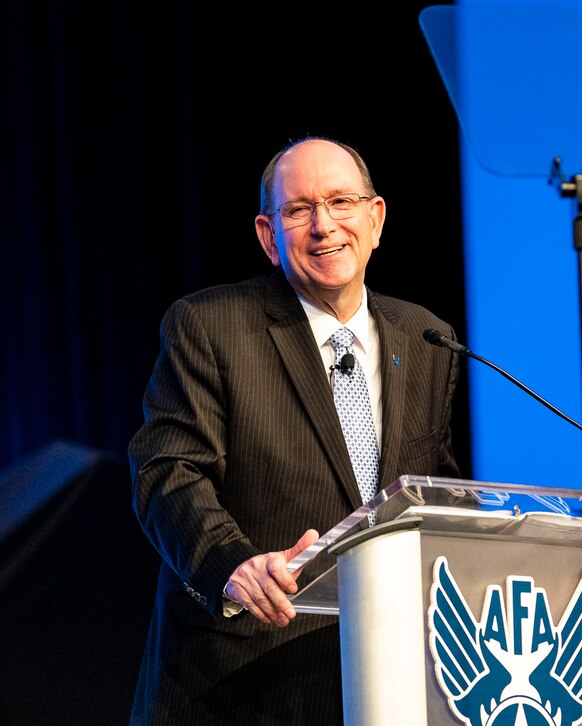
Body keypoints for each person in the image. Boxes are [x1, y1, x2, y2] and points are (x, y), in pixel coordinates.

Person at [128, 136, 462, 725]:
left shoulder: (427, 338)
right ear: (267, 235)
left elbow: (434, 488)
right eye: (299, 209)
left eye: (341, 202)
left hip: (384, 678)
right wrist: (230, 565)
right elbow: (169, 472)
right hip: (238, 681)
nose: (324, 225)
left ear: (375, 217)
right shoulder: (210, 326)